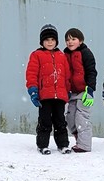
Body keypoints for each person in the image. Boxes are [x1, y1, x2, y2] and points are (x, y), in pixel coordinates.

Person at [25, 24, 71, 154]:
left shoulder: (61, 56)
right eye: (47, 40)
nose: (50, 42)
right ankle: (42, 145)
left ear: (56, 41)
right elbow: (31, 74)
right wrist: (33, 91)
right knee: (45, 121)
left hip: (60, 95)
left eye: (52, 40)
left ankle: (63, 145)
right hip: (44, 95)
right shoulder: (37, 55)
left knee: (60, 121)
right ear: (42, 42)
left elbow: (66, 75)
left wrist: (68, 90)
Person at [63, 27, 97, 152]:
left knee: (81, 117)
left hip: (84, 91)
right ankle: (79, 138)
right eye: (67, 40)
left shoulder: (86, 53)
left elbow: (91, 72)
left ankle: (85, 145)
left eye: (73, 39)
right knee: (70, 118)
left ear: (80, 41)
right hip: (71, 92)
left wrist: (90, 90)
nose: (70, 42)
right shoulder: (65, 54)